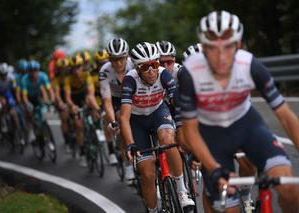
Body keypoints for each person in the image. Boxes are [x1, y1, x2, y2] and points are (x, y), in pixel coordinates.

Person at [179, 10, 299, 212]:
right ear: (204, 47)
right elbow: (190, 131)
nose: (221, 56)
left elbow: (285, 116)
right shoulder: (190, 73)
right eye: (212, 48)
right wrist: (215, 169)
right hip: (211, 136)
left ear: (239, 45)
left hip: (247, 126)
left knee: (289, 188)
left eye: (228, 47)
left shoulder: (250, 65)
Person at [120, 42, 195, 213]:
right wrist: (130, 143)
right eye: (145, 67)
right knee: (147, 174)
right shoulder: (130, 80)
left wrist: (182, 130)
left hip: (158, 112)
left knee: (169, 140)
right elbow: (124, 117)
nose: (151, 70)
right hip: (137, 121)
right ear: (138, 68)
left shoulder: (163, 75)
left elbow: (176, 104)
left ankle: (182, 191)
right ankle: (153, 210)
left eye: (154, 64)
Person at [99, 38, 134, 174]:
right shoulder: (104, 71)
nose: (118, 63)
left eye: (121, 58)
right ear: (109, 59)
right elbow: (106, 101)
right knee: (119, 123)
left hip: (132, 96)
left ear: (127, 56)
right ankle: (128, 164)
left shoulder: (134, 65)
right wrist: (113, 121)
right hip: (115, 99)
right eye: (114, 59)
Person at [65, 54, 100, 166]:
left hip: (84, 97)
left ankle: (96, 128)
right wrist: (72, 105)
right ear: (71, 68)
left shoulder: (87, 75)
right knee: (78, 125)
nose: (76, 70)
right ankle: (82, 150)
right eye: (74, 68)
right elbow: (67, 96)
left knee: (92, 105)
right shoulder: (68, 79)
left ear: (82, 67)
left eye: (79, 67)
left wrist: (91, 104)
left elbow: (90, 92)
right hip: (74, 100)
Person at [52, 57, 71, 153]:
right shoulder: (56, 78)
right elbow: (56, 92)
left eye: (66, 68)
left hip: (70, 96)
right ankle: (67, 141)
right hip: (61, 98)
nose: (64, 70)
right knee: (64, 117)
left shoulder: (70, 74)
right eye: (62, 69)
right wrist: (60, 102)